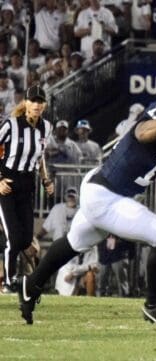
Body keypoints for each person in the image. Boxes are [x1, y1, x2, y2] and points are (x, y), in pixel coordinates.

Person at [18, 71, 156, 330]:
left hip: (108, 193)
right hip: (107, 194)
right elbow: (142, 133)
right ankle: (154, 306)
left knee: (75, 242)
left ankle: (30, 285)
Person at [0, 85, 54, 293]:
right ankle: (8, 282)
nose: (37, 105)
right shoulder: (12, 125)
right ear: (26, 103)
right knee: (14, 238)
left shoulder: (46, 128)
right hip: (8, 184)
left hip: (27, 185)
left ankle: (16, 276)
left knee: (25, 238)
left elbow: (40, 157)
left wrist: (46, 180)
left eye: (41, 101)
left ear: (45, 105)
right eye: (33, 101)